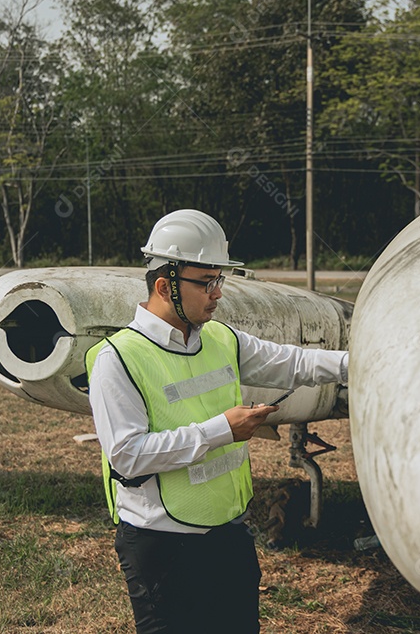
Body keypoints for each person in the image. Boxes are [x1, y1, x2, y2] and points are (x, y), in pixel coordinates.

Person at [85, 209, 348, 633]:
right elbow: (128, 456)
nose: (218, 293)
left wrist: (360, 362)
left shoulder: (222, 339)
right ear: (165, 286)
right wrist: (222, 431)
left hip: (228, 535)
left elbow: (293, 363)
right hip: (162, 547)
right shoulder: (117, 359)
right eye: (206, 282)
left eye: (219, 280)